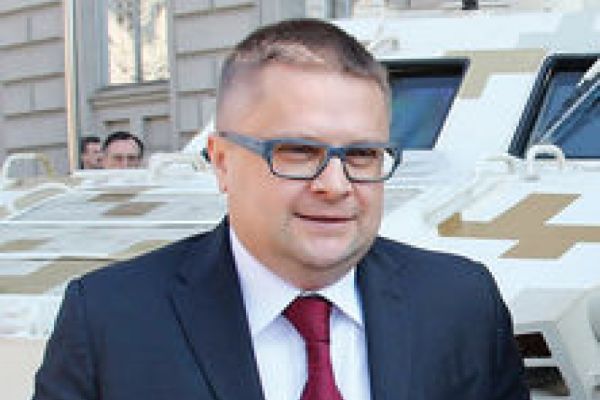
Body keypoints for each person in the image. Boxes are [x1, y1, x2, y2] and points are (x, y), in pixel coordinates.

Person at [33, 19, 530, 399]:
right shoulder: (111, 321)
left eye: (362, 154)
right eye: (298, 151)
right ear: (222, 162)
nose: (335, 186)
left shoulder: (461, 304)